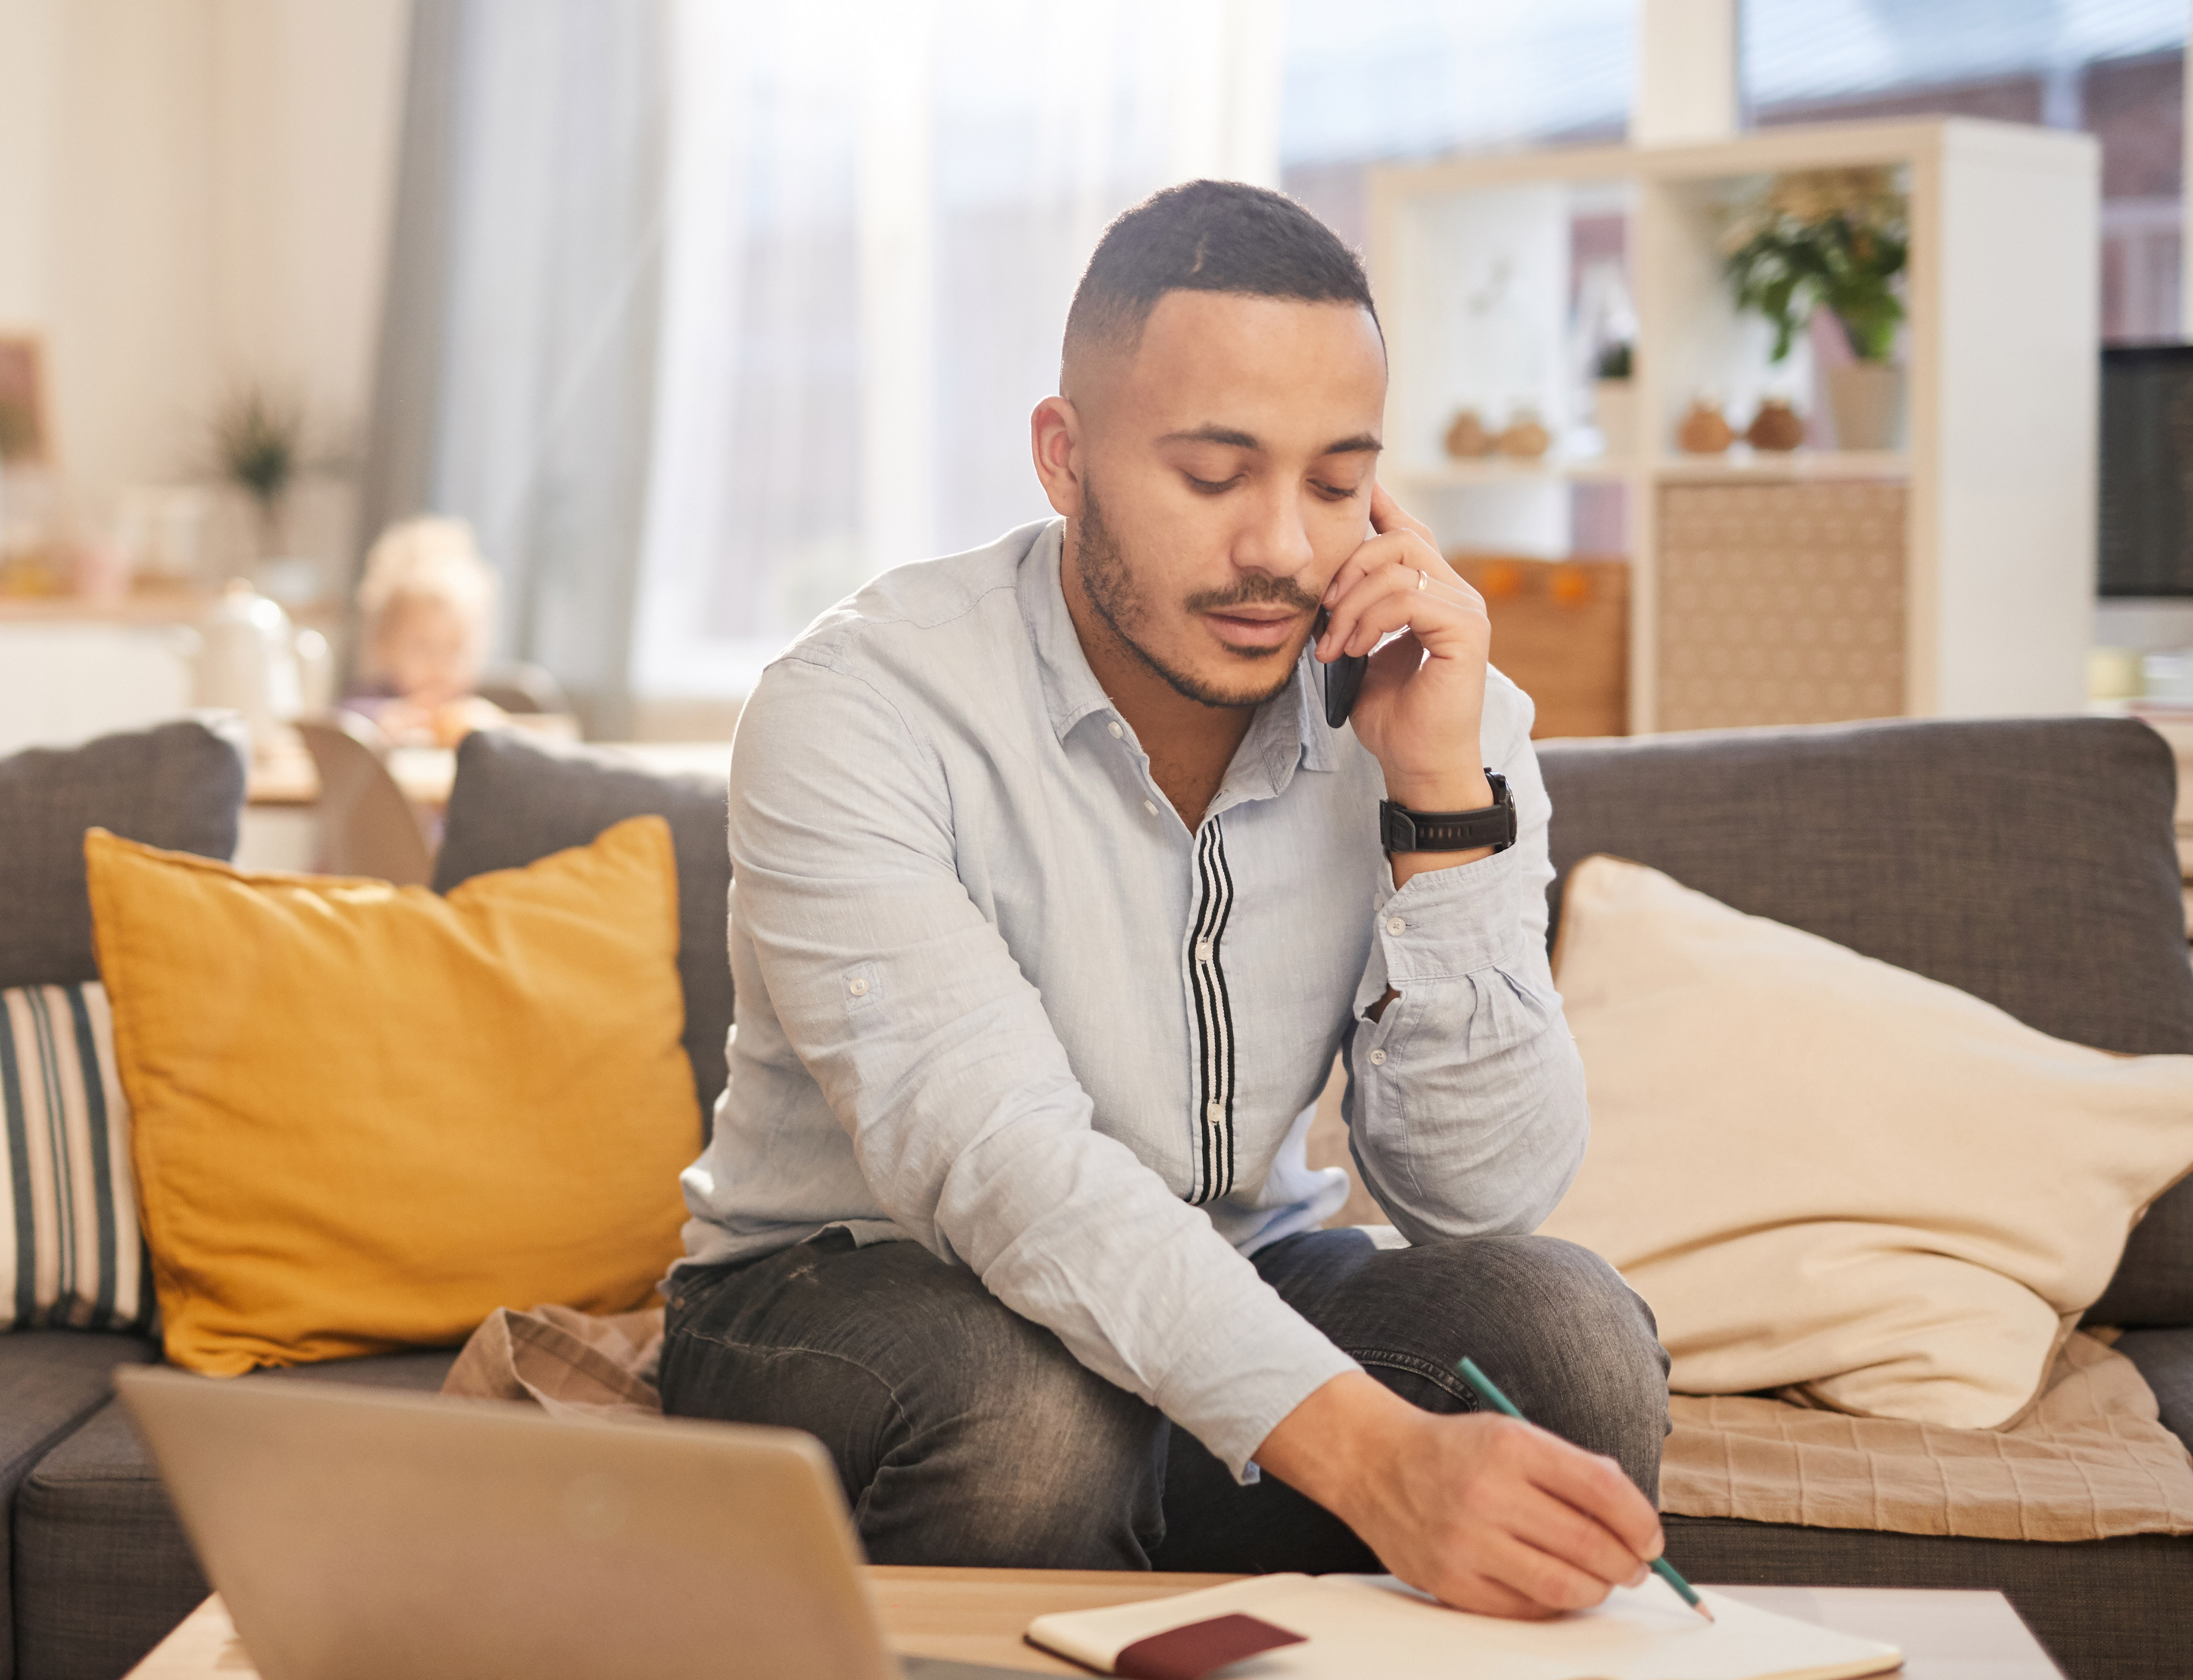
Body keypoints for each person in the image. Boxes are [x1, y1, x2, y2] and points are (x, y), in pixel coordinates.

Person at [662, 180, 1671, 1620]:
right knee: (1028, 1421)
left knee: (1566, 1340)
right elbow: (1006, 1171)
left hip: (1232, 1274)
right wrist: (1380, 1462)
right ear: (1064, 459)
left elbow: (1485, 1198)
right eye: (1214, 477)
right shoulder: (859, 710)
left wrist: (1439, 807)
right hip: (850, 1303)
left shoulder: (1443, 713)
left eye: (1335, 486)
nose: (1281, 549)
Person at [343, 515, 511, 747]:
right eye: (423, 648)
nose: (439, 664)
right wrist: (389, 720)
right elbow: (341, 725)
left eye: (455, 649)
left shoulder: (470, 714)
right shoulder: (371, 702)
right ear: (385, 646)